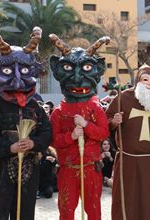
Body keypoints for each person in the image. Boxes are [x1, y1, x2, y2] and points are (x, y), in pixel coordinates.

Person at [0, 26, 52, 219]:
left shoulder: (35, 107)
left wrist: (34, 144)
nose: (18, 81)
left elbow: (46, 131)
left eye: (24, 71)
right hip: (2, 169)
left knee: (25, 212)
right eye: (8, 71)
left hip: (29, 168)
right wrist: (9, 147)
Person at [49, 35, 111, 220]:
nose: (77, 79)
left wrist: (87, 126)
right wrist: (72, 137)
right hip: (68, 169)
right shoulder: (58, 112)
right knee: (66, 210)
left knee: (93, 211)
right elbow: (54, 140)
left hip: (91, 168)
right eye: (68, 69)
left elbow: (103, 133)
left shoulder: (96, 108)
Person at [106, 64, 150, 220]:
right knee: (127, 198)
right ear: (137, 81)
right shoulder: (124, 97)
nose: (149, 83)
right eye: (145, 79)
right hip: (128, 159)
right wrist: (115, 122)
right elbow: (106, 119)